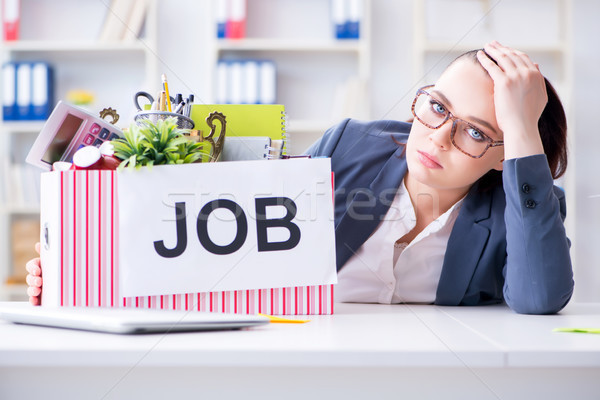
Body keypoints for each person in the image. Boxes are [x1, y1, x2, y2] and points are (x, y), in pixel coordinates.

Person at [26, 41, 573, 314]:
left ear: (508, 153)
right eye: (435, 107)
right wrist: (84, 276)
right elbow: (222, 248)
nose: (436, 137)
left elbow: (539, 300)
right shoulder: (350, 145)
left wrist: (523, 129)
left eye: (475, 133)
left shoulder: (525, 207)